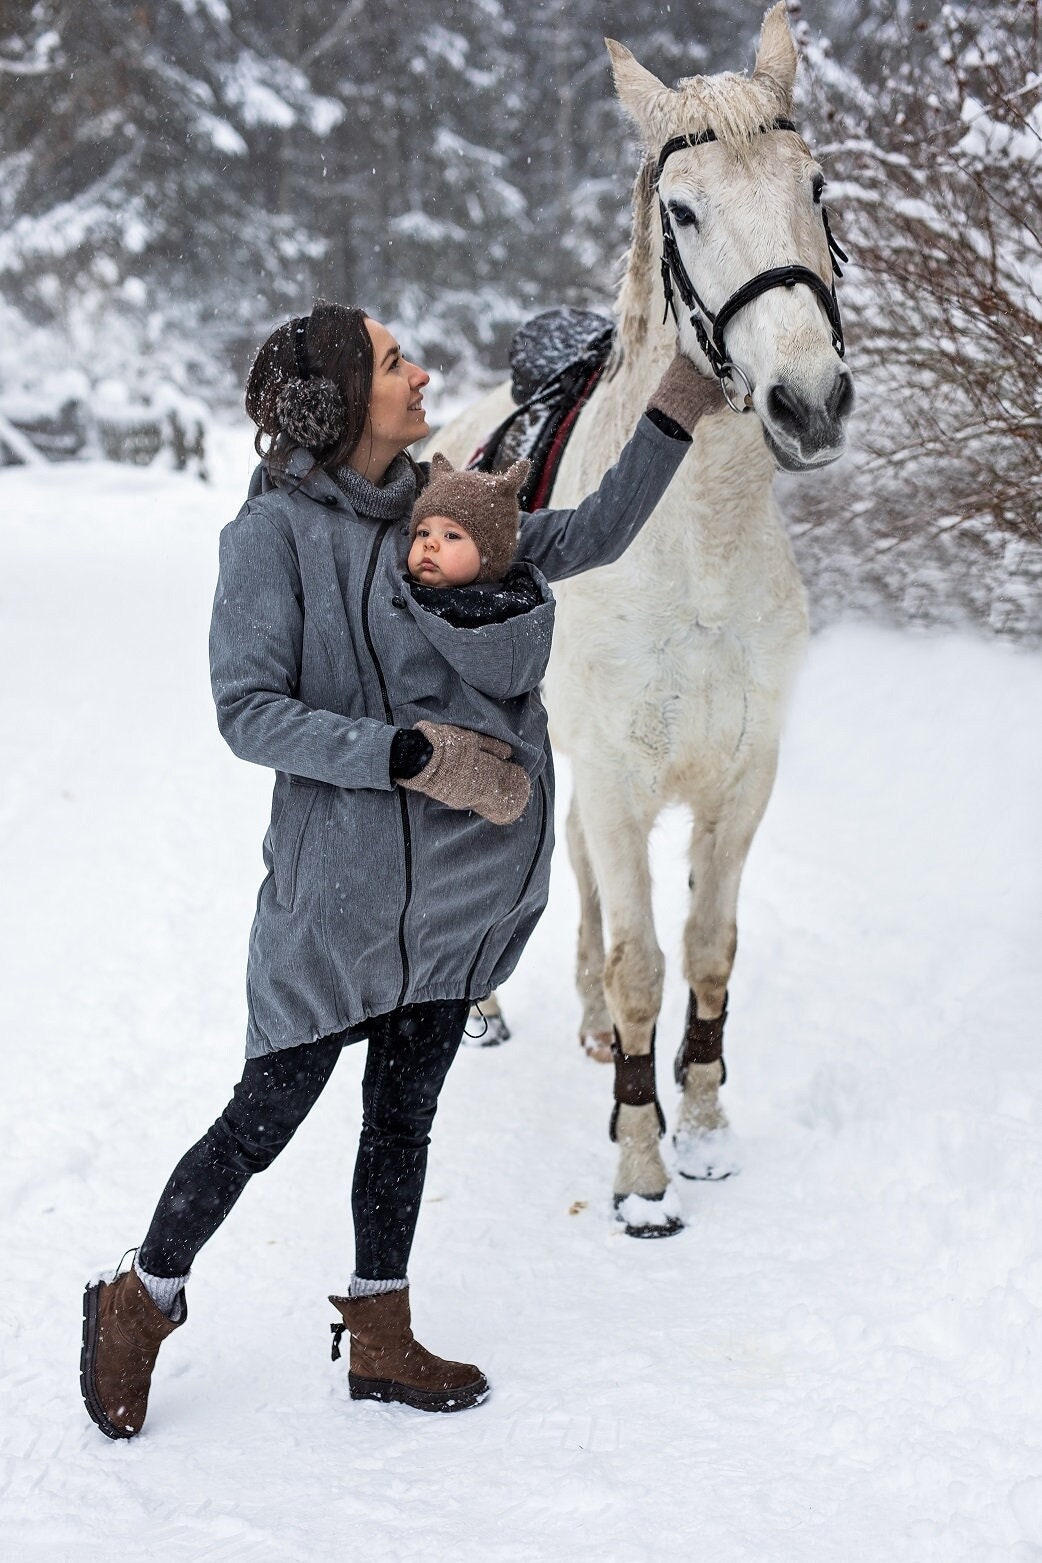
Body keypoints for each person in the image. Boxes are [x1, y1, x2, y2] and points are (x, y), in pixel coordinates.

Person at [80, 300, 724, 1439]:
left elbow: (593, 534)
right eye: (392, 363)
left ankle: (380, 1333)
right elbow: (248, 713)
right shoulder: (270, 536)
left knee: (403, 1117)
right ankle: (144, 1294)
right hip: (337, 901)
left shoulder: (444, 507)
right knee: (263, 1119)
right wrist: (409, 755)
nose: (422, 374)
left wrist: (677, 400)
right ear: (337, 403)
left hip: (456, 907)